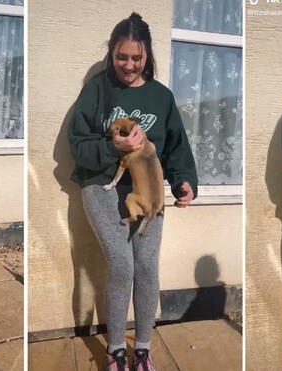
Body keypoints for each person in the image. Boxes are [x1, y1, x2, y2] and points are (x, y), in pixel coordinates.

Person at [68, 13, 198, 371]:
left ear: (147, 56)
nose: (128, 64)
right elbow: (78, 146)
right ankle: (114, 349)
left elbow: (177, 149)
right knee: (122, 264)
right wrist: (115, 149)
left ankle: (142, 348)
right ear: (111, 53)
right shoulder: (97, 89)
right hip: (101, 186)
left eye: (136, 58)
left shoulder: (162, 97)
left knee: (146, 267)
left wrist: (184, 181)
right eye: (121, 57)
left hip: (148, 190)